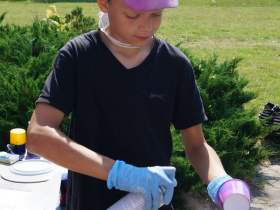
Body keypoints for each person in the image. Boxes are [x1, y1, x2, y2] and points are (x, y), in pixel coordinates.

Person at [26, 0, 246, 209]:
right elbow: (38, 136)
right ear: (104, 3)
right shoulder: (77, 56)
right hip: (89, 203)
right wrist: (123, 175)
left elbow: (197, 146)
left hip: (152, 204)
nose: (147, 26)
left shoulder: (175, 65)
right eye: (132, 15)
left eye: (156, 14)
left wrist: (221, 182)